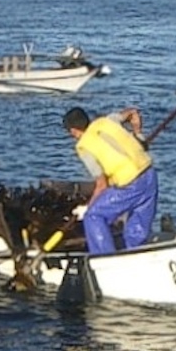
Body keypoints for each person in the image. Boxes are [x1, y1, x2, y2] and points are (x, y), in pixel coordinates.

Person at [63, 105, 158, 253]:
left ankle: (104, 257)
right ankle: (134, 254)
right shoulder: (107, 121)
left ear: (73, 131)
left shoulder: (84, 147)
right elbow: (129, 112)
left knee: (94, 216)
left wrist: (88, 208)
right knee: (136, 230)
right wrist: (136, 129)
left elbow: (102, 185)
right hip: (149, 175)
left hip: (129, 185)